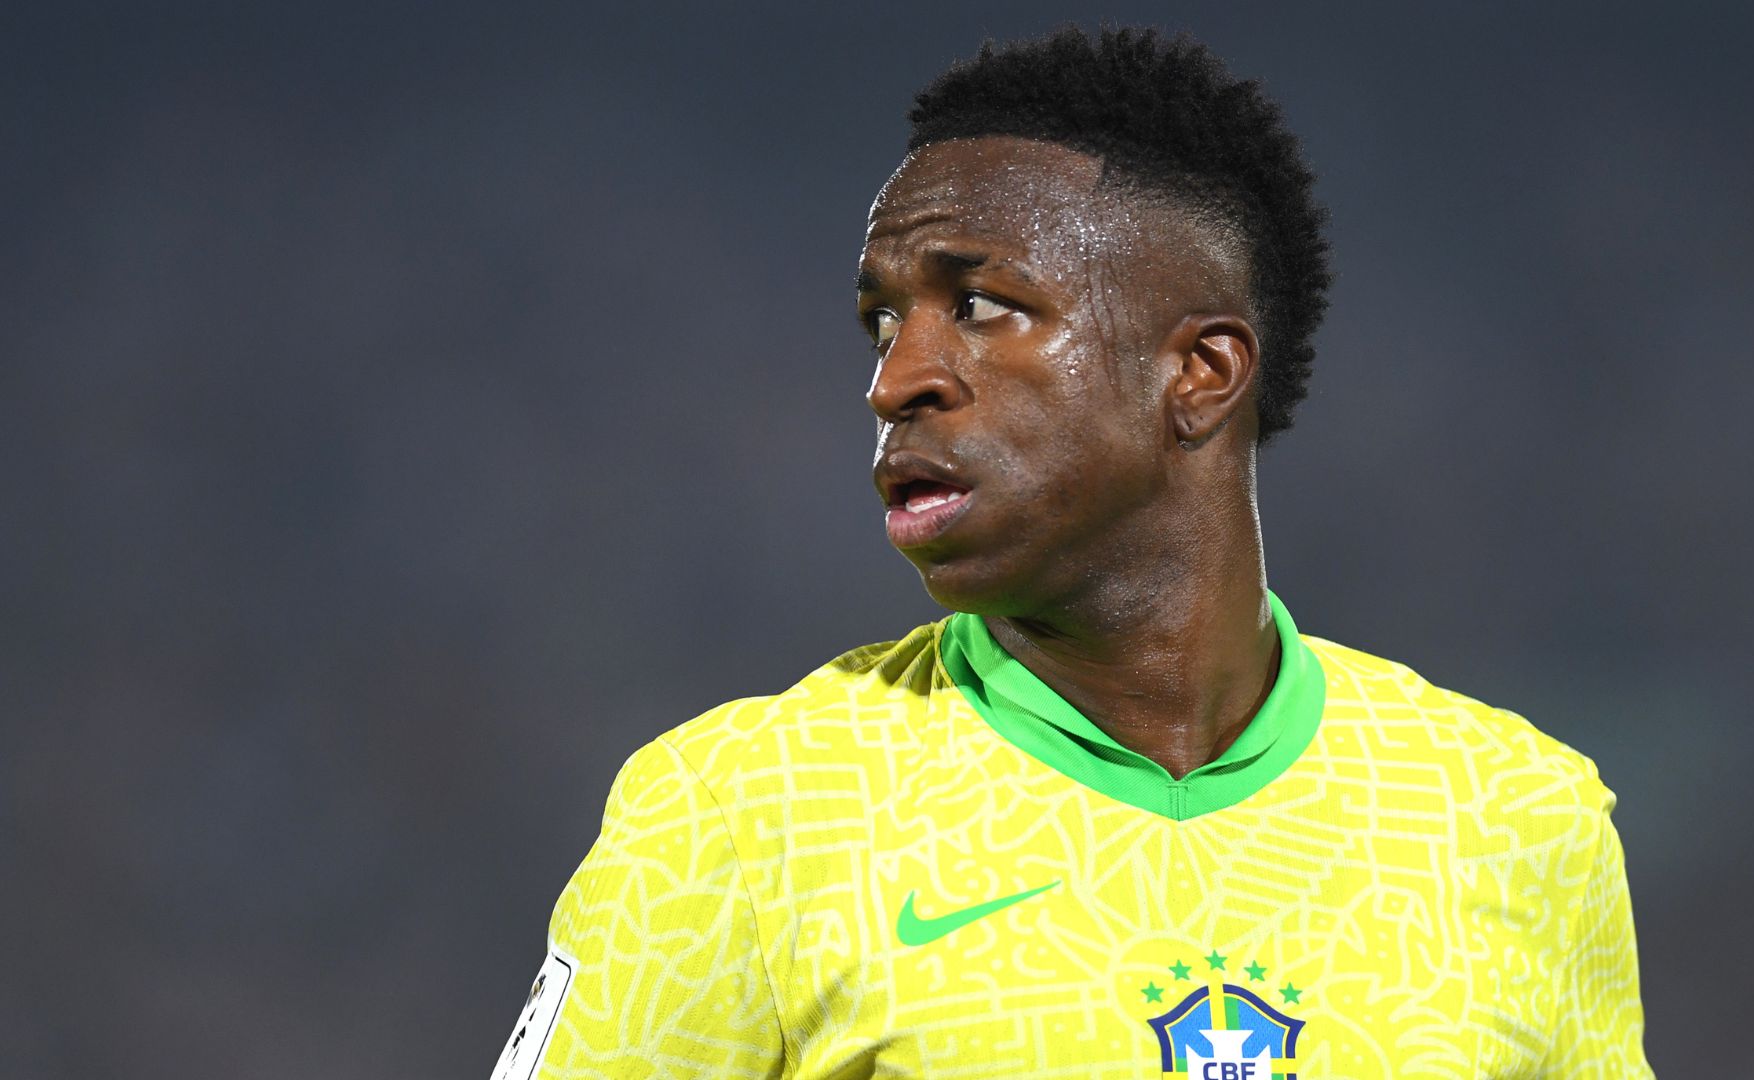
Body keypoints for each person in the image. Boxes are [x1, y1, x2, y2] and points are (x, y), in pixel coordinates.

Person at [490, 26, 1652, 1080]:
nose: (896, 380)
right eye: (884, 321)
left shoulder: (1517, 820)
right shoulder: (741, 818)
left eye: (982, 306)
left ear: (1200, 373)